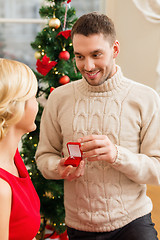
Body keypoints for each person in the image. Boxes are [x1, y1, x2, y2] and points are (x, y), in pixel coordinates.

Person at [35, 12, 160, 240]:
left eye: (96, 54)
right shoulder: (59, 98)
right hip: (79, 227)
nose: (88, 65)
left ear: (115, 49)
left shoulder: (146, 98)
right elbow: (44, 157)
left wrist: (116, 155)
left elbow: (158, 169)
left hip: (132, 223)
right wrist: (58, 167)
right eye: (79, 56)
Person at [0, 58, 40, 240]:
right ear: (15, 108)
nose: (37, 104)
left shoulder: (13, 156)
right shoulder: (1, 188)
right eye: (33, 97)